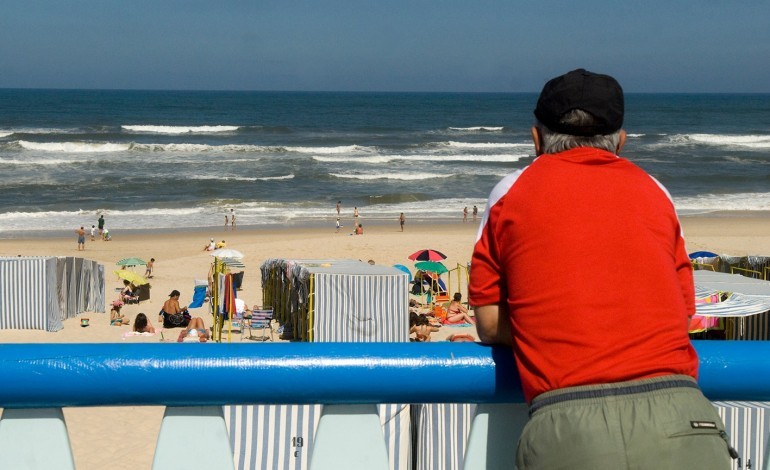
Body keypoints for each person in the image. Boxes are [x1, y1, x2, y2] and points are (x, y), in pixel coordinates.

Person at [469, 69, 733, 468]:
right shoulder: (655, 190)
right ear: (621, 141)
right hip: (681, 412)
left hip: (569, 423)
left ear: (536, 138)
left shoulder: (512, 191)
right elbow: (681, 314)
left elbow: (489, 323)